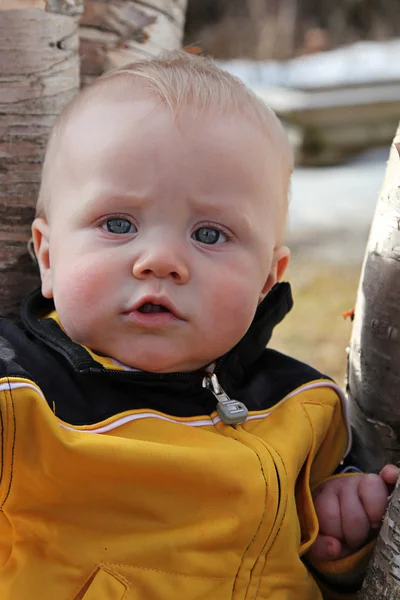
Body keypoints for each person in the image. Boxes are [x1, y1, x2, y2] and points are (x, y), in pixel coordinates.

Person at [0, 51, 396, 599]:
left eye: (209, 235)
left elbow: (331, 561)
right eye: (118, 223)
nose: (161, 260)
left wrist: (344, 526)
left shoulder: (304, 409)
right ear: (49, 257)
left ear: (265, 281)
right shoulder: (20, 397)